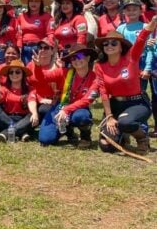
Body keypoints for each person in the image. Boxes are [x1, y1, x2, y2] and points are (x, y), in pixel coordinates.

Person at [96, 17, 156, 154]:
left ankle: (142, 139)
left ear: (121, 46)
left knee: (125, 122)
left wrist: (151, 23)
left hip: (137, 103)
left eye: (113, 43)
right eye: (106, 44)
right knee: (106, 146)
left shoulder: (131, 57)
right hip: (115, 106)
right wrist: (109, 116)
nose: (109, 46)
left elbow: (141, 39)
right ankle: (122, 135)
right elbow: (103, 91)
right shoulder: (100, 66)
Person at [35, 44, 99, 148]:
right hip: (60, 107)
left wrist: (67, 110)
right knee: (45, 140)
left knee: (82, 117)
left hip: (78, 109)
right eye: (73, 58)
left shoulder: (95, 78)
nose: (76, 60)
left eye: (79, 56)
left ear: (87, 58)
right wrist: (38, 67)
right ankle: (67, 130)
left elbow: (87, 100)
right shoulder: (63, 72)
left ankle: (85, 137)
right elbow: (43, 78)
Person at [0, 60, 39, 142]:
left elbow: (31, 101)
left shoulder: (30, 89)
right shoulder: (5, 88)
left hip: (23, 119)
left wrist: (34, 113)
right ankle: (21, 132)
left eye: (17, 72)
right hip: (6, 118)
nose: (14, 74)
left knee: (33, 115)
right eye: (11, 72)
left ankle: (6, 133)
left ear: (23, 74)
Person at [17, 0, 53, 64]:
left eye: (37, 1)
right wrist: (19, 47)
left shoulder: (47, 17)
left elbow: (50, 33)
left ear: (41, 3)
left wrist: (50, 48)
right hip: (24, 48)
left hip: (39, 48)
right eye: (31, 1)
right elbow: (19, 33)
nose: (33, 3)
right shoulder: (21, 16)